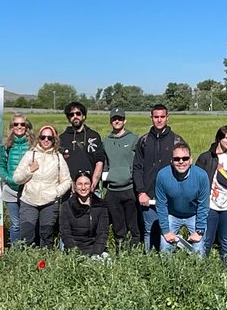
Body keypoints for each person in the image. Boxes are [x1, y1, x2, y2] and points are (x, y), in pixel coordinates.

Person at [11, 124, 72, 247]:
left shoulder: (58, 158)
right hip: (29, 201)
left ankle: (45, 263)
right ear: (38, 138)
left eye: (50, 138)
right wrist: (29, 170)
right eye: (43, 137)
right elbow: (17, 178)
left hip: (49, 202)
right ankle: (26, 262)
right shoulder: (30, 155)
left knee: (46, 236)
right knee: (27, 236)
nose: (46, 140)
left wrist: (56, 193)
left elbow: (67, 181)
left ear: (54, 140)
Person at [195, 125, 227, 264]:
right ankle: (202, 269)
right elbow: (197, 180)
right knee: (207, 239)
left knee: (226, 240)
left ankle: (225, 271)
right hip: (210, 204)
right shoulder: (206, 157)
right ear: (219, 138)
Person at [132, 104, 177, 251]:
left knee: (168, 233)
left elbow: (183, 169)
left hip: (170, 197)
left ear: (167, 117)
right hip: (148, 197)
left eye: (162, 117)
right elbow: (137, 168)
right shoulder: (144, 141)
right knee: (149, 231)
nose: (159, 120)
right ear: (151, 118)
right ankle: (149, 265)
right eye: (156, 117)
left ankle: (166, 265)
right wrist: (141, 192)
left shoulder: (176, 141)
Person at [154, 141, 209, 255]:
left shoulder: (201, 176)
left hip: (194, 214)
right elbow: (161, 205)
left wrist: (199, 231)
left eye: (185, 158)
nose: (181, 162)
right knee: (165, 245)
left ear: (191, 160)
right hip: (172, 214)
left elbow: (203, 205)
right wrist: (166, 231)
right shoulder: (162, 175)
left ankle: (198, 271)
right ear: (171, 161)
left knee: (198, 249)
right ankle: (167, 271)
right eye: (177, 159)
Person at [102, 107, 141, 251]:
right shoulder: (106, 141)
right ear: (110, 121)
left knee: (133, 225)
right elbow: (105, 164)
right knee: (118, 227)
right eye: (114, 119)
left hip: (129, 189)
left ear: (125, 121)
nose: (116, 121)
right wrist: (106, 180)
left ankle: (135, 253)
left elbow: (138, 162)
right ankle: (121, 254)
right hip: (112, 190)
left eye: (119, 118)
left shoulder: (133, 139)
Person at [0, 114, 33, 246]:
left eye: (22, 124)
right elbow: (1, 166)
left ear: (26, 126)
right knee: (15, 224)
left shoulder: (33, 145)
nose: (19, 127)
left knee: (27, 223)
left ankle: (28, 249)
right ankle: (16, 251)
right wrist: (7, 178)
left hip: (27, 190)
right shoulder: (6, 145)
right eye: (16, 124)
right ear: (11, 127)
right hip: (10, 190)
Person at [59, 172, 110, 257]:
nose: (83, 188)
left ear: (91, 186)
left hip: (95, 249)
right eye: (79, 184)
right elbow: (65, 233)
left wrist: (96, 254)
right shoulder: (66, 206)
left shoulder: (100, 206)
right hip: (74, 251)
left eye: (86, 184)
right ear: (74, 186)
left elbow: (102, 233)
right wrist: (75, 253)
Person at [59, 101, 107, 186]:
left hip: (89, 186)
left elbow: (99, 161)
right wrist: (67, 184)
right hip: (69, 187)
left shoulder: (94, 136)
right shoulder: (63, 138)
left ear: (83, 116)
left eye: (78, 113)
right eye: (71, 115)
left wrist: (93, 183)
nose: (75, 117)